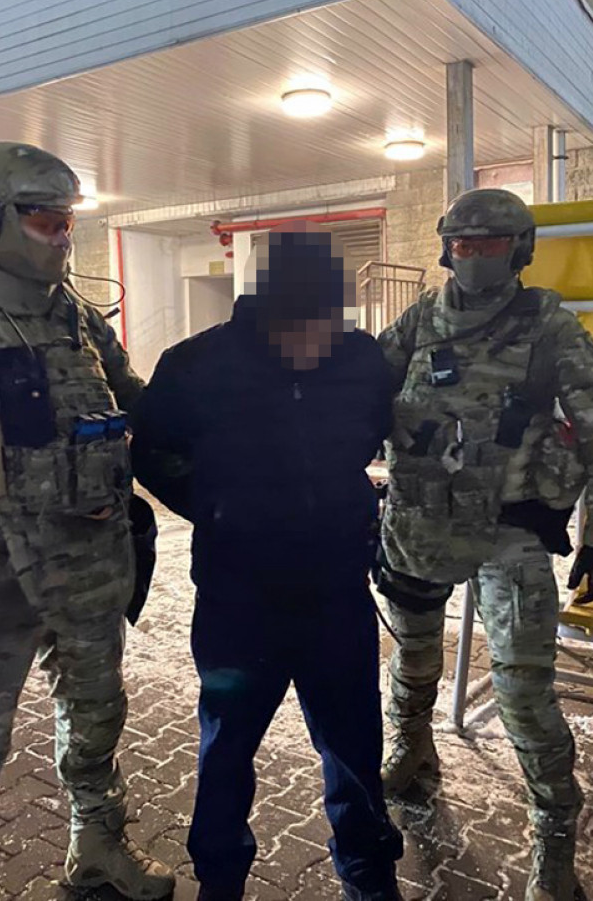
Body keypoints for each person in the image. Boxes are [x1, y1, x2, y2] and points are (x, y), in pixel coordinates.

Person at [0, 142, 174, 901]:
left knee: (97, 722)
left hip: (89, 566)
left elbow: (136, 401)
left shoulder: (71, 311)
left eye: (67, 222)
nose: (62, 237)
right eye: (45, 221)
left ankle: (97, 851)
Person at [131, 222, 404, 901]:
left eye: (328, 325)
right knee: (226, 748)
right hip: (238, 598)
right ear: (265, 312)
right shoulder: (197, 365)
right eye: (302, 328)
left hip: (336, 594)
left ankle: (367, 871)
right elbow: (151, 451)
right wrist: (215, 505)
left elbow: (375, 429)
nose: (316, 343)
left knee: (353, 744)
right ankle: (220, 878)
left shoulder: (359, 357)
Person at [377, 188, 593, 901]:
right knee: (413, 654)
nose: (474, 256)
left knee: (521, 691)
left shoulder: (550, 327)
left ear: (519, 250)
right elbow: (357, 389)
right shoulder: (420, 319)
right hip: (421, 522)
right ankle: (412, 749)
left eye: (489, 244)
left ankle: (554, 837)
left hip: (509, 530)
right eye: (462, 244)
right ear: (445, 250)